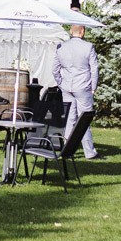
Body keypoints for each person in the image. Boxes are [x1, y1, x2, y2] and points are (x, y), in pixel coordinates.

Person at [51, 23, 100, 161]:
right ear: (82, 31)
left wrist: (61, 83)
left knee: (69, 119)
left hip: (67, 87)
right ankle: (89, 152)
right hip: (83, 86)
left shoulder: (61, 47)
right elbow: (94, 69)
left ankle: (67, 150)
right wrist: (93, 87)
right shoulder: (88, 47)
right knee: (84, 119)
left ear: (71, 32)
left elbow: (55, 69)